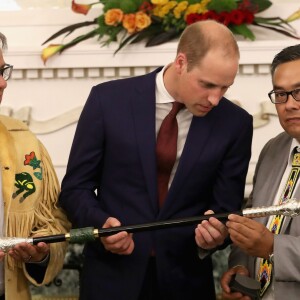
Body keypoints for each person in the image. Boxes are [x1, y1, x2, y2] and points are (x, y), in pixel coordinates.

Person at [59, 20, 253, 300]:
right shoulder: (108, 101)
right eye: (207, 84)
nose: (214, 99)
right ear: (181, 62)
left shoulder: (235, 124)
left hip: (187, 283)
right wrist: (101, 225)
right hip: (111, 280)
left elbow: (226, 208)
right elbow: (75, 189)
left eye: (225, 87)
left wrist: (216, 235)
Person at [221, 44, 300, 300]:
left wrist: (273, 248)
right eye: (280, 94)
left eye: (299, 92)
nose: (289, 105)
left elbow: (268, 242)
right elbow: (253, 218)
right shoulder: (273, 149)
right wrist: (240, 265)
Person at [0, 32, 70, 300]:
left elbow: (55, 220)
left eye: (3, 71)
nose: (3, 83)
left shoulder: (23, 141)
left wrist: (41, 253)